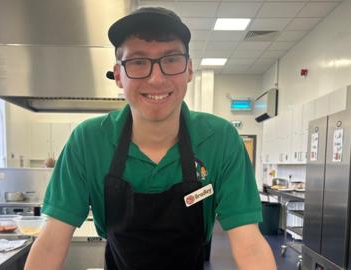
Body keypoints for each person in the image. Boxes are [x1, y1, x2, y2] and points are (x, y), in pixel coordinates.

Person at [25, 7, 276, 270]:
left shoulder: (221, 139)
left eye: (171, 59)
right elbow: (52, 241)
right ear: (119, 75)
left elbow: (249, 245)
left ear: (189, 69)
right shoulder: (87, 141)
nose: (156, 78)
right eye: (138, 62)